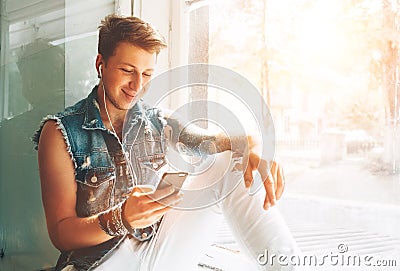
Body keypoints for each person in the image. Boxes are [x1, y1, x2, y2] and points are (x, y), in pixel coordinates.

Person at [33, 14, 301, 271]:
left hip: (158, 251)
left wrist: (253, 147)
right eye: (127, 70)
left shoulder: (160, 122)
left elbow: (217, 142)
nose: (136, 85)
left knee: (232, 162)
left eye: (147, 74)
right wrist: (121, 218)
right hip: (99, 264)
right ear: (100, 65)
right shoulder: (60, 132)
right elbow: (61, 233)